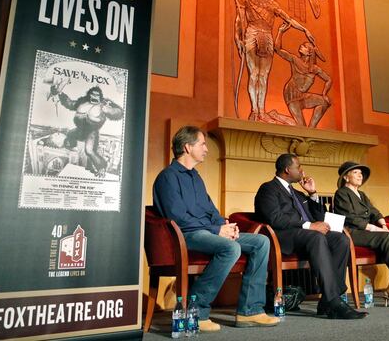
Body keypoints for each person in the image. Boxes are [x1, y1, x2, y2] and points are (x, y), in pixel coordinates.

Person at [153, 126, 280, 331]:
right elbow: (178, 218)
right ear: (187, 147)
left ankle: (250, 311)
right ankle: (196, 310)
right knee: (230, 248)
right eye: (202, 144)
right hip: (186, 235)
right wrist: (216, 230)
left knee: (261, 242)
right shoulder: (167, 177)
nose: (206, 149)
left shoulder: (196, 177)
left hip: (207, 231)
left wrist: (225, 226)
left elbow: (210, 209)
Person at [254, 154, 367, 319]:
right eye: (298, 167)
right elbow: (275, 218)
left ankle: (326, 300)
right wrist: (309, 225)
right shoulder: (268, 189)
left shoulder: (298, 194)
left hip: (307, 236)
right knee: (317, 237)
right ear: (287, 169)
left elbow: (320, 216)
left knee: (340, 239)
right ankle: (334, 302)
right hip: (284, 237)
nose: (302, 170)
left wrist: (313, 193)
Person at [231, 0, 315, 122]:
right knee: (254, 74)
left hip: (267, 36)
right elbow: (239, 19)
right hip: (252, 33)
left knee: (264, 75)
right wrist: (237, 37)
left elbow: (288, 18)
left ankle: (262, 110)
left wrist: (304, 29)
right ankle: (254, 110)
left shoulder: (271, 3)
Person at [333, 161, 389, 306]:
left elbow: (374, 212)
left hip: (367, 232)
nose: (360, 175)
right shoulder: (341, 193)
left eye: (360, 173)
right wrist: (374, 228)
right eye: (355, 172)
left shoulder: (361, 194)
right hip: (353, 233)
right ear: (346, 177)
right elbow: (349, 218)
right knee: (388, 238)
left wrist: (383, 224)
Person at [275, 22, 332, 128]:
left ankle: (312, 129)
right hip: (292, 94)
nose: (301, 46)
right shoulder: (295, 59)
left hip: (303, 96)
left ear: (309, 53)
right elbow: (277, 49)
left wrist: (324, 93)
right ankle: (276, 116)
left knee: (324, 102)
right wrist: (280, 32)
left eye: (304, 46)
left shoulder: (314, 69)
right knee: (301, 127)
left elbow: (328, 80)